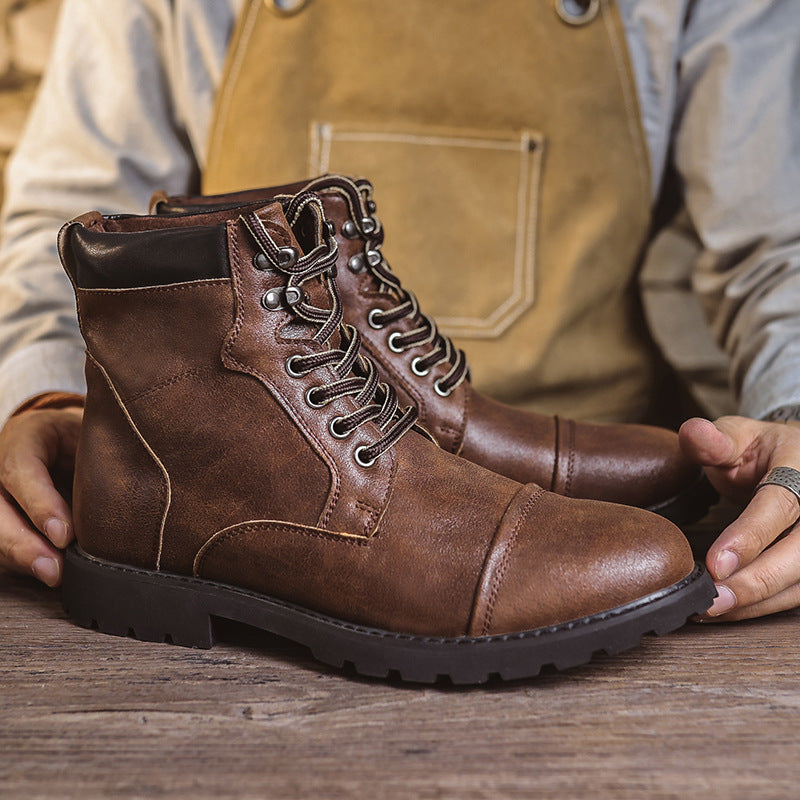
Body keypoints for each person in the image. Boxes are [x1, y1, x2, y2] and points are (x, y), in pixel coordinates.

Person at [0, 0, 798, 624]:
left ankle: (421, 451)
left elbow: (776, 243)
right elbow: (77, 227)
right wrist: (48, 396)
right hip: (257, 474)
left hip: (581, 444)